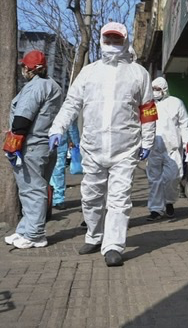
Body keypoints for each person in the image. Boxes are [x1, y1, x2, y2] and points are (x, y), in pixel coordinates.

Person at [48, 22, 157, 267]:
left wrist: (148, 139)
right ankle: (94, 236)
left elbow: (148, 110)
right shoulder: (89, 72)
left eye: (117, 40)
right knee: (90, 197)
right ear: (100, 40)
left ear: (125, 41)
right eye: (108, 40)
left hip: (125, 149)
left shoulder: (138, 73)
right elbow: (71, 103)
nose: (112, 45)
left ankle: (114, 245)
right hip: (92, 148)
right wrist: (57, 128)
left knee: (119, 199)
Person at [3, 50, 62, 249]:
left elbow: (24, 117)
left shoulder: (35, 87)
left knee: (32, 190)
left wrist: (13, 141)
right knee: (33, 189)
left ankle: (35, 234)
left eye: (24, 67)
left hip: (32, 146)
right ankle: (25, 230)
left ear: (29, 69)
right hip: (44, 145)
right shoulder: (53, 86)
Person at [145, 76, 188, 221]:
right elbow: (145, 125)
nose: (154, 92)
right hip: (154, 148)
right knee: (154, 180)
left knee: (173, 178)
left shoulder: (176, 103)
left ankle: (169, 202)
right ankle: (155, 209)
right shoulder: (149, 105)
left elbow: (185, 125)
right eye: (152, 89)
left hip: (172, 149)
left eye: (157, 89)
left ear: (164, 89)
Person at [49, 120, 81, 210]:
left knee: (55, 170)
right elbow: (71, 124)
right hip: (59, 141)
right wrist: (76, 143)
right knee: (58, 170)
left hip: (51, 140)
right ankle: (57, 198)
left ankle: (55, 198)